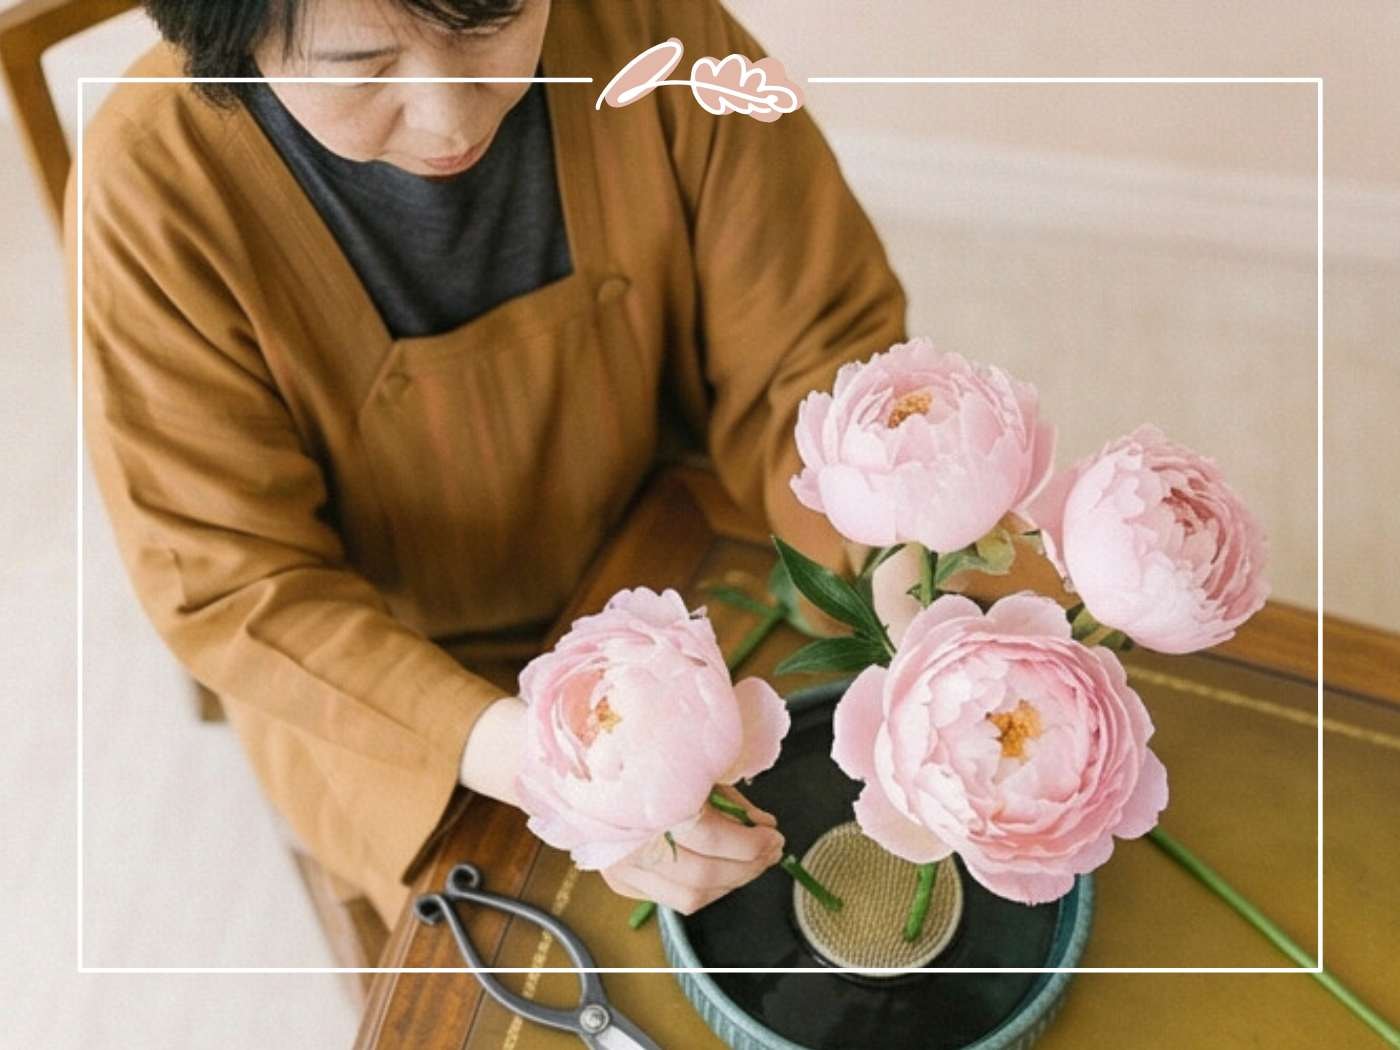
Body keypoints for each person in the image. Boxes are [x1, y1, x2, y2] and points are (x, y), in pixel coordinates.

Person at [70, 0, 908, 929]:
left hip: (678, 548)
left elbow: (812, 346)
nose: (451, 117)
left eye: (487, 22)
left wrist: (893, 561)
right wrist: (555, 771)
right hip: (395, 686)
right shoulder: (152, 184)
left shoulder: (654, 34)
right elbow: (239, 581)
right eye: (361, 64)